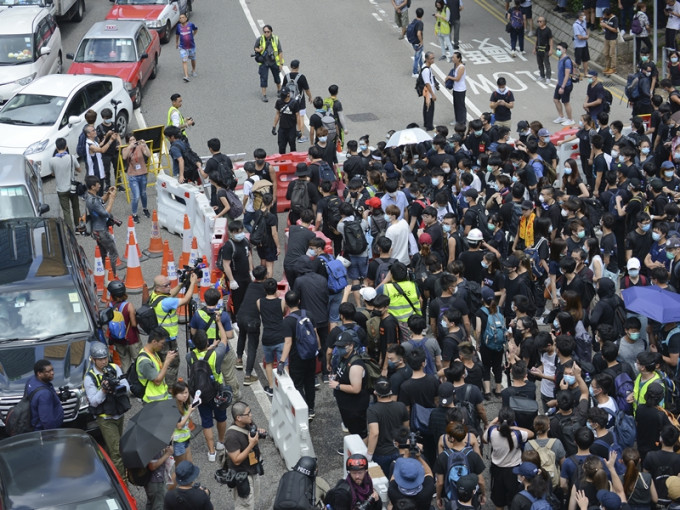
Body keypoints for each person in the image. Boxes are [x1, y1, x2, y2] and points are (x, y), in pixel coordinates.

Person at [84, 342, 130, 478]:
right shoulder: (89, 378)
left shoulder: (115, 368)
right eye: (100, 359)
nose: (104, 361)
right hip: (105, 418)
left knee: (118, 446)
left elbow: (126, 387)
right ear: (93, 359)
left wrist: (116, 384)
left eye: (105, 358)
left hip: (119, 415)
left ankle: (115, 472)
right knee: (117, 452)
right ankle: (123, 482)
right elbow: (93, 401)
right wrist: (104, 390)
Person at [148, 272, 197, 387]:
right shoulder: (167, 302)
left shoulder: (154, 295)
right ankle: (170, 388)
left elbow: (169, 295)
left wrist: (180, 285)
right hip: (168, 340)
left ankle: (164, 382)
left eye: (169, 284)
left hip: (158, 335)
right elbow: (186, 299)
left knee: (162, 361)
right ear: (158, 287)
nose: (169, 286)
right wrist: (193, 283)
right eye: (166, 285)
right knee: (172, 364)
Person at [279, 291, 321, 418]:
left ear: (286, 304)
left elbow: (288, 343)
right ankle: (311, 409)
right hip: (311, 354)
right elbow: (315, 333)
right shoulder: (308, 314)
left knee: (298, 384)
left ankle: (304, 409)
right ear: (299, 301)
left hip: (298, 356)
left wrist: (282, 361)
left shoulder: (288, 321)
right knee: (309, 382)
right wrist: (318, 348)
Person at [330, 332, 370, 451]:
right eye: (338, 346)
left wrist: (338, 386)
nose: (340, 349)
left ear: (351, 346)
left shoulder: (355, 365)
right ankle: (352, 448)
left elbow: (356, 388)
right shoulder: (343, 358)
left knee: (359, 431)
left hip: (355, 406)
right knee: (351, 428)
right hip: (346, 404)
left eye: (343, 346)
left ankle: (360, 453)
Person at [224, 401, 266, 510]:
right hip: (243, 475)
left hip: (253, 469)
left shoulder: (249, 424)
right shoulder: (231, 436)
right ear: (239, 418)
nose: (251, 415)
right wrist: (252, 444)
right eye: (248, 413)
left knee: (252, 501)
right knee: (245, 505)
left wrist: (258, 432)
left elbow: (252, 435)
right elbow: (236, 460)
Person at [367, 378, 409, 477]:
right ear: (390, 391)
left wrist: (369, 454)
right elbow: (406, 428)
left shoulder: (372, 410)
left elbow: (374, 433)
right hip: (398, 450)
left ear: (375, 392)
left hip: (381, 453)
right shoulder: (401, 406)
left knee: (380, 479)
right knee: (397, 477)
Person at [84, 175, 120, 278]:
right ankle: (112, 276)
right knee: (113, 253)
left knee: (104, 255)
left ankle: (107, 275)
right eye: (97, 184)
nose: (100, 185)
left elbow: (101, 201)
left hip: (97, 231)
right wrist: (112, 199)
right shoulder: (92, 201)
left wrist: (108, 194)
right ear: (92, 187)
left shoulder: (91, 196)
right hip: (102, 231)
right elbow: (105, 213)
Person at [256, 278, 285, 396]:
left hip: (267, 337)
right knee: (282, 362)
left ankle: (271, 387)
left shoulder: (259, 302)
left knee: (269, 363)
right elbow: (283, 312)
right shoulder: (281, 302)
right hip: (280, 336)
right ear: (276, 289)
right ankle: (283, 387)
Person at [221, 220, 254, 317]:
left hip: (246, 276)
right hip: (236, 278)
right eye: (237, 232)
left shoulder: (245, 241)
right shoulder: (228, 246)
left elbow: (249, 256)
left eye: (241, 231)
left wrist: (251, 271)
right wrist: (232, 280)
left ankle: (246, 317)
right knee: (237, 301)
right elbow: (226, 265)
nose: (240, 234)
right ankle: (236, 320)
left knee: (247, 299)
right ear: (231, 233)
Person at [48, 137, 81, 232]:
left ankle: (70, 230)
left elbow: (53, 173)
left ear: (56, 147)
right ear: (66, 146)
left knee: (66, 211)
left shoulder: (52, 160)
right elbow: (79, 169)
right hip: (72, 188)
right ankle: (78, 227)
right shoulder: (72, 157)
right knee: (76, 207)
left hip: (61, 190)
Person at [136, 327, 177, 403]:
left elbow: (159, 369)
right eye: (162, 343)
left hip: (159, 398)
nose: (163, 346)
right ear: (154, 342)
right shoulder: (145, 361)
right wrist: (167, 362)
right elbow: (157, 381)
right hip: (152, 401)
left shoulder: (153, 353)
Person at [107, 280, 141, 373]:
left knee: (125, 362)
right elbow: (133, 324)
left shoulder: (109, 306)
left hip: (118, 339)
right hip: (131, 338)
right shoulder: (128, 306)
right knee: (138, 360)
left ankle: (128, 382)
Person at [25, 359, 63, 431]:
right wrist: (52, 435)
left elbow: (35, 399)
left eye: (52, 370)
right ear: (39, 373)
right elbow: (47, 421)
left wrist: (55, 396)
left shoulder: (31, 380)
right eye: (48, 372)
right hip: (44, 432)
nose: (52, 373)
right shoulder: (44, 394)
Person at [121, 134, 151, 223]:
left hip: (142, 174)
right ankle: (134, 214)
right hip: (133, 176)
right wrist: (130, 146)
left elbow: (148, 154)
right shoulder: (125, 149)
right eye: (130, 140)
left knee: (144, 193)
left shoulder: (140, 147)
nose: (133, 141)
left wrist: (145, 145)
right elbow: (124, 157)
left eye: (134, 139)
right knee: (136, 196)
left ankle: (145, 208)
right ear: (127, 142)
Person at [281, 60, 313, 143]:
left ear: (291, 67)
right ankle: (301, 136)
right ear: (298, 67)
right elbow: (307, 89)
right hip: (299, 101)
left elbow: (283, 89)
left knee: (290, 118)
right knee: (301, 117)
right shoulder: (301, 77)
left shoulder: (286, 76)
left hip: (289, 101)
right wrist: (310, 97)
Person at [84, 124, 118, 191]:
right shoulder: (90, 146)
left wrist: (107, 135)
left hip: (99, 172)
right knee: (98, 195)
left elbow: (101, 144)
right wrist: (111, 140)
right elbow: (102, 150)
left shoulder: (94, 142)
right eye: (93, 130)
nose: (95, 131)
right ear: (88, 134)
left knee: (100, 194)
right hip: (95, 174)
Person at [254, 25, 282, 102]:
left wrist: (280, 63)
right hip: (264, 62)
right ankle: (264, 95)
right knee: (263, 78)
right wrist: (259, 50)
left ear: (271, 31)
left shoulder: (276, 39)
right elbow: (255, 48)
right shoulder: (260, 39)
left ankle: (279, 91)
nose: (266, 33)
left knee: (277, 77)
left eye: (268, 32)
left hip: (274, 62)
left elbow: (280, 51)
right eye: (265, 32)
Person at [95, 109, 119, 190]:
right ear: (103, 118)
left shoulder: (114, 125)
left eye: (109, 117)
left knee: (117, 168)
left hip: (115, 151)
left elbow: (117, 135)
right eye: (106, 118)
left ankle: (118, 183)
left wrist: (120, 145)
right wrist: (106, 135)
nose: (108, 119)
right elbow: (99, 143)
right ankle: (108, 184)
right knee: (107, 170)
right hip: (106, 153)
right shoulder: (99, 128)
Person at [272, 88, 300, 154]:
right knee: (281, 147)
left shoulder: (294, 103)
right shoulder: (279, 102)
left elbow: (298, 116)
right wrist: (274, 126)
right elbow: (277, 114)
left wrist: (299, 130)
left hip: (291, 128)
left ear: (288, 94)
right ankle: (282, 162)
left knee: (292, 146)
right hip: (282, 128)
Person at [145, 445, 173, 510]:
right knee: (159, 505)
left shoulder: (145, 443)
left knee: (151, 503)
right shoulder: (151, 445)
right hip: (156, 482)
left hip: (149, 481)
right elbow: (152, 466)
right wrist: (167, 454)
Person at [553, 41, 575, 126]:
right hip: (560, 84)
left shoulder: (567, 61)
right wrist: (558, 81)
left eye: (559, 49)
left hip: (566, 85)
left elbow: (567, 75)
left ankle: (570, 119)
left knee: (566, 102)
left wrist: (562, 87)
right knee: (556, 99)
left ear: (564, 50)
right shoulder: (560, 58)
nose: (557, 50)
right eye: (557, 49)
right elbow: (561, 73)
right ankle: (561, 117)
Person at [446, 52, 467, 124]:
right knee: (456, 105)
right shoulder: (456, 65)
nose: (452, 59)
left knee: (460, 106)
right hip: (456, 88)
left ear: (459, 58)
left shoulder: (461, 67)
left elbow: (458, 78)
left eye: (454, 58)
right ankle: (457, 119)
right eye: (452, 57)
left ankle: (462, 121)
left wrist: (449, 77)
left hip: (460, 89)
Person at [175, 13, 197, 82]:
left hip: (191, 46)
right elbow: (177, 35)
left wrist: (193, 35)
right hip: (183, 47)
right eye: (180, 18)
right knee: (184, 60)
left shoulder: (191, 25)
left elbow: (195, 29)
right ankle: (186, 76)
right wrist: (176, 42)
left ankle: (193, 70)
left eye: (183, 17)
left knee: (192, 58)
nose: (182, 19)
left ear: (186, 18)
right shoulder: (178, 27)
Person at [534, 16, 553, 84]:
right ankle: (542, 75)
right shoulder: (538, 29)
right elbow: (536, 39)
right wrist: (534, 48)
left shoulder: (548, 30)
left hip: (546, 50)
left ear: (544, 22)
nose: (539, 23)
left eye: (540, 21)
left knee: (546, 64)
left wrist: (551, 50)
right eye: (538, 21)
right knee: (540, 64)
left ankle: (548, 77)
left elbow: (550, 40)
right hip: (539, 49)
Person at [422, 51, 437, 132]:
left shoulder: (427, 67)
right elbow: (427, 83)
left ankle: (426, 123)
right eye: (431, 58)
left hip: (427, 92)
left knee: (426, 107)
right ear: (427, 59)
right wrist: (433, 94)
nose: (433, 60)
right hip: (428, 93)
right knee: (429, 109)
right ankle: (429, 126)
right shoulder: (426, 70)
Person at [601, 8, 619, 75]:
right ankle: (607, 66)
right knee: (606, 53)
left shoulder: (615, 19)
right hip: (606, 38)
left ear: (609, 15)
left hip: (613, 38)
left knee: (612, 54)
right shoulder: (605, 18)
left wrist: (606, 26)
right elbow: (603, 26)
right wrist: (602, 26)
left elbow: (615, 30)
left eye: (606, 16)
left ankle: (613, 68)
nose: (604, 17)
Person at [573, 11, 590, 78]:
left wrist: (587, 34)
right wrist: (586, 37)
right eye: (583, 15)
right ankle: (574, 73)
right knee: (577, 61)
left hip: (584, 44)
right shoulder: (575, 25)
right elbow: (579, 37)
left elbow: (586, 30)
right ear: (579, 17)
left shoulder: (584, 22)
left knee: (585, 59)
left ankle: (586, 73)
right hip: (578, 45)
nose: (584, 16)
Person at [411, 8, 425, 78]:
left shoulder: (414, 21)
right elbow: (419, 34)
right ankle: (414, 72)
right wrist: (421, 41)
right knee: (417, 57)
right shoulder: (420, 23)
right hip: (418, 43)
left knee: (420, 56)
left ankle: (423, 68)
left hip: (413, 42)